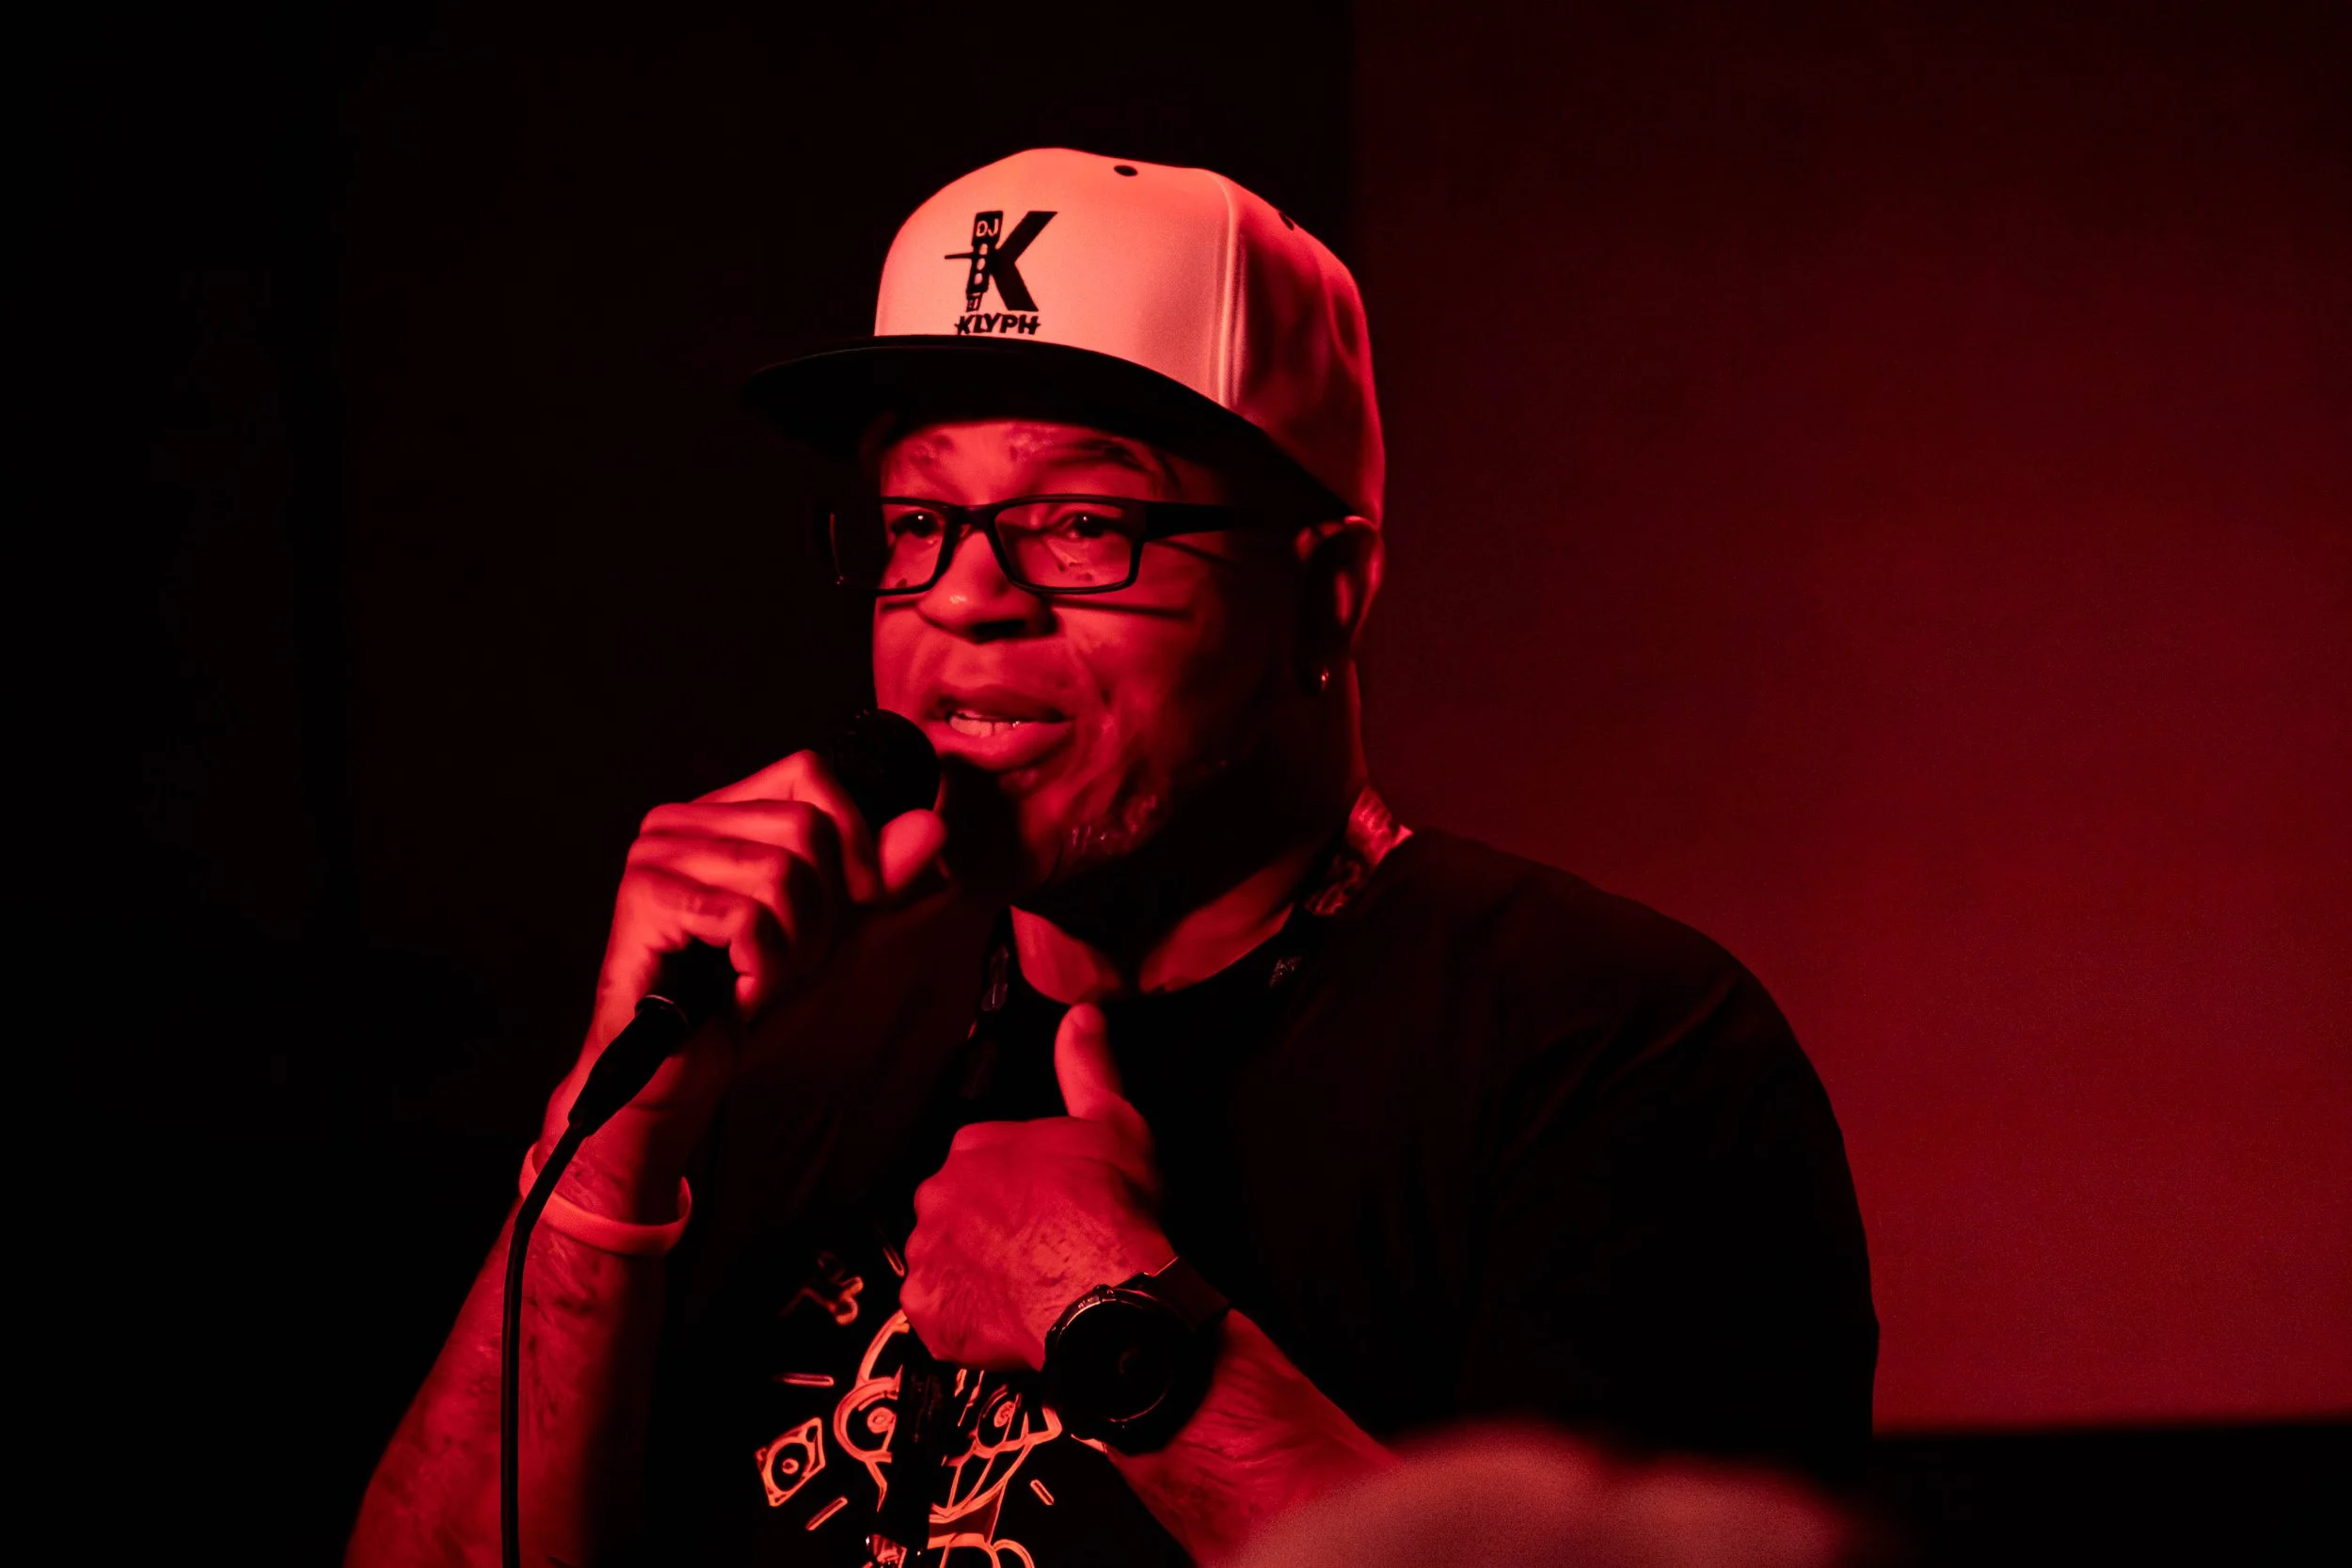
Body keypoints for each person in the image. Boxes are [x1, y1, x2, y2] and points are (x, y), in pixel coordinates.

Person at [350, 147, 1876, 1568]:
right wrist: (608, 1146)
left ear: (1328, 592)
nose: (965, 598)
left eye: (1081, 521)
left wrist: (1114, 1327)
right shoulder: (782, 1035)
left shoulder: (1611, 1053)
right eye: (915, 521)